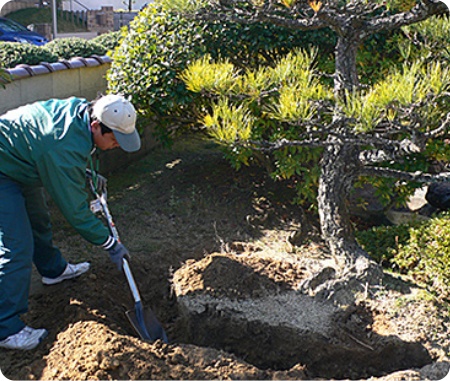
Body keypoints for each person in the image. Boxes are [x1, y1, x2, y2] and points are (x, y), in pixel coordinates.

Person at [0, 94, 141, 350]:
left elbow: (73, 147)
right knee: (16, 243)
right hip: (3, 167)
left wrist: (86, 171)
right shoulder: (60, 145)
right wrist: (110, 244)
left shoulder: (83, 113)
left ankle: (53, 271)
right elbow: (75, 211)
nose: (117, 145)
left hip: (22, 161)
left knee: (39, 222)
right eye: (115, 140)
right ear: (97, 125)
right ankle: (6, 328)